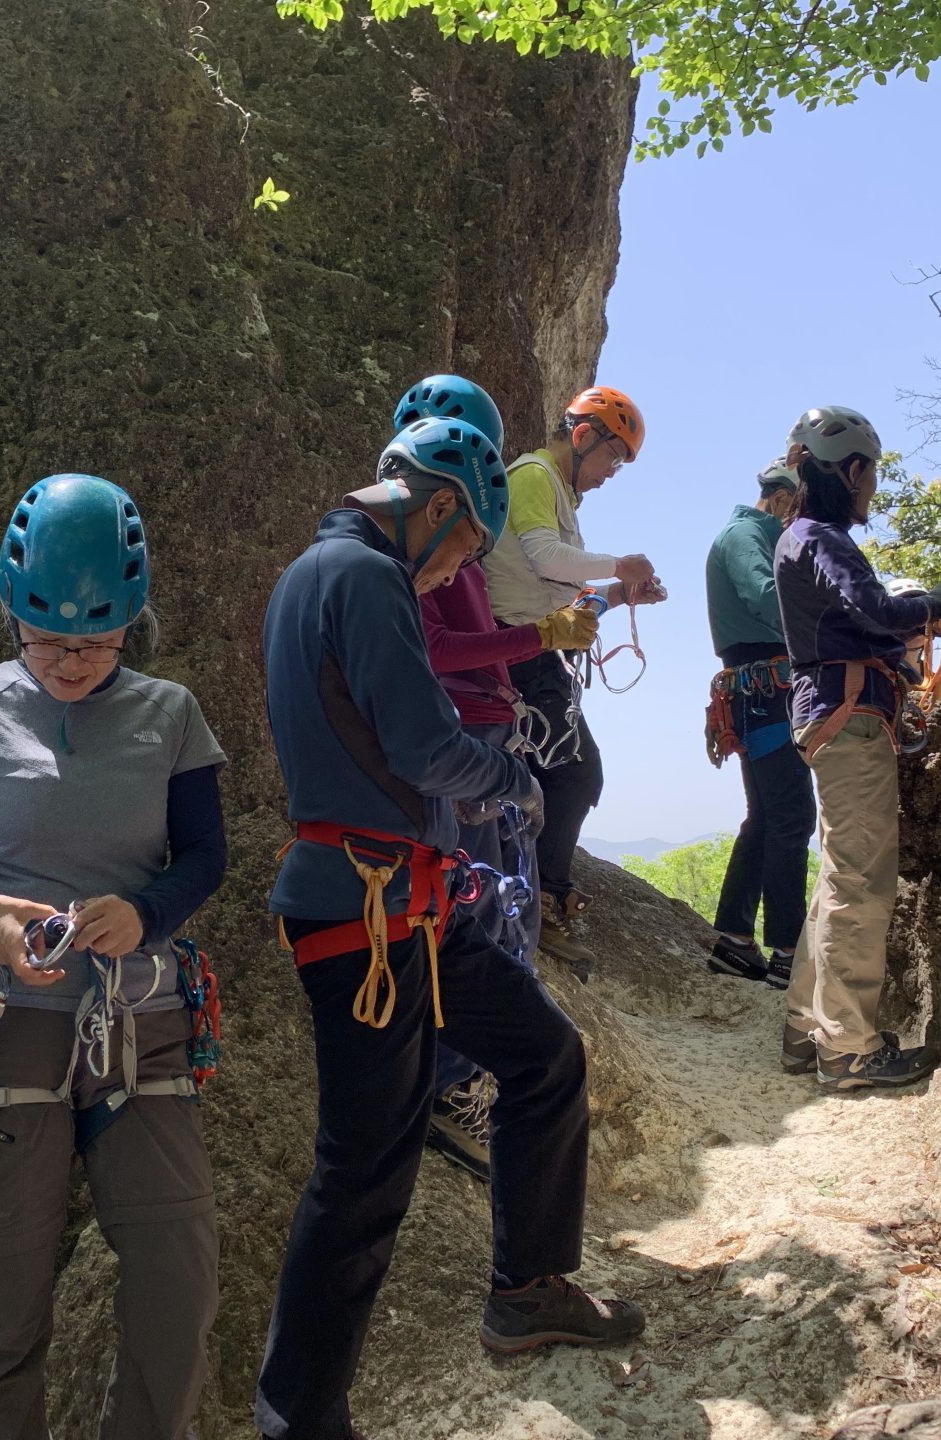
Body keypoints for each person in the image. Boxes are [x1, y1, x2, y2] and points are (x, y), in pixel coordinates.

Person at [256, 415, 643, 1440]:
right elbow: (426, 743)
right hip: (370, 916)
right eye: (470, 541)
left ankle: (528, 1288)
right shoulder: (369, 577)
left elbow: (381, 737)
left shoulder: (315, 574)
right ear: (434, 511)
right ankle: (300, 1415)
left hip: (405, 904)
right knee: (364, 1174)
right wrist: (511, 782)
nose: (461, 567)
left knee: (543, 1054)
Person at [0, 474, 227, 1440]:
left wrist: (145, 911)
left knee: (178, 1282)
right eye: (45, 638)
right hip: (2, 1030)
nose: (69, 662)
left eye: (97, 641)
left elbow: (204, 857)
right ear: (9, 611)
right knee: (1, 1307)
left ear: (132, 624)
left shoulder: (171, 714)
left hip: (140, 1026)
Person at [397, 376, 600, 1181]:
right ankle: (450, 1086)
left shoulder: (465, 553)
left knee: (498, 911)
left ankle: (475, 1076)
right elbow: (440, 654)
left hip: (489, 731)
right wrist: (534, 638)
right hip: (466, 738)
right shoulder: (414, 556)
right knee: (474, 920)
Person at [774, 409, 941, 1091]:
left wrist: (897, 659)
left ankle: (807, 1028)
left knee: (837, 877)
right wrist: (932, 606)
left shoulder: (800, 537)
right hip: (850, 722)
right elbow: (876, 608)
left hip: (833, 713)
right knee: (859, 882)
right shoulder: (822, 538)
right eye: (871, 474)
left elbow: (855, 622)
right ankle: (850, 1047)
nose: (872, 488)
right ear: (852, 470)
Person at [481, 385, 664, 974]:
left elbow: (554, 589)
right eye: (613, 457)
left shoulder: (554, 489)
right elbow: (541, 557)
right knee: (575, 776)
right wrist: (621, 565)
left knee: (556, 777)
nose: (612, 473)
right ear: (583, 435)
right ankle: (542, 903)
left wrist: (614, 593)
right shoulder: (534, 475)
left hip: (531, 655)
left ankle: (534, 900)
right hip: (523, 658)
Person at [704, 463, 815, 988]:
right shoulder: (748, 533)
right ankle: (789, 952)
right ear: (784, 502)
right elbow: (763, 594)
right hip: (767, 694)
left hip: (756, 694)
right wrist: (831, 625)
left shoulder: (746, 532)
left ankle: (734, 940)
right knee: (792, 816)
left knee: (768, 818)